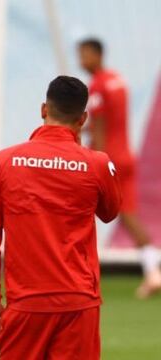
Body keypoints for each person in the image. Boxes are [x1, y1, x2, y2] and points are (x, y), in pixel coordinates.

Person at [0, 76, 122, 359]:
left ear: (44, 109)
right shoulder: (97, 163)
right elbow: (110, 212)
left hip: (24, 304)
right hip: (78, 303)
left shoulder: (4, 162)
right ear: (83, 118)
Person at [78, 38, 161, 298]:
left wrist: (96, 158)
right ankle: (153, 272)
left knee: (77, 210)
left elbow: (100, 126)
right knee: (129, 213)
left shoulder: (98, 86)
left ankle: (76, 275)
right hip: (125, 155)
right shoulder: (118, 80)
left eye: (83, 55)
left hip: (109, 159)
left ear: (95, 54)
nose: (81, 60)